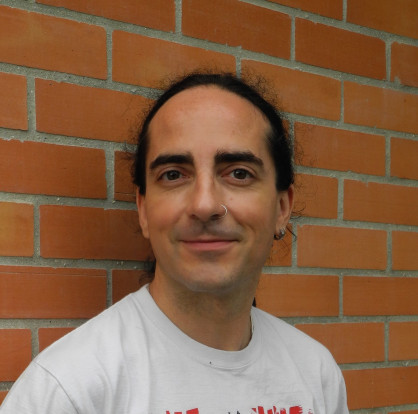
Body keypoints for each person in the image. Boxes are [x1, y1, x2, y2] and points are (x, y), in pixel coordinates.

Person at [0, 73, 349, 413]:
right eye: (173, 175)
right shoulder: (69, 390)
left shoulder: (316, 374)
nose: (204, 205)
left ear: (282, 208)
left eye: (239, 173)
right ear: (143, 210)